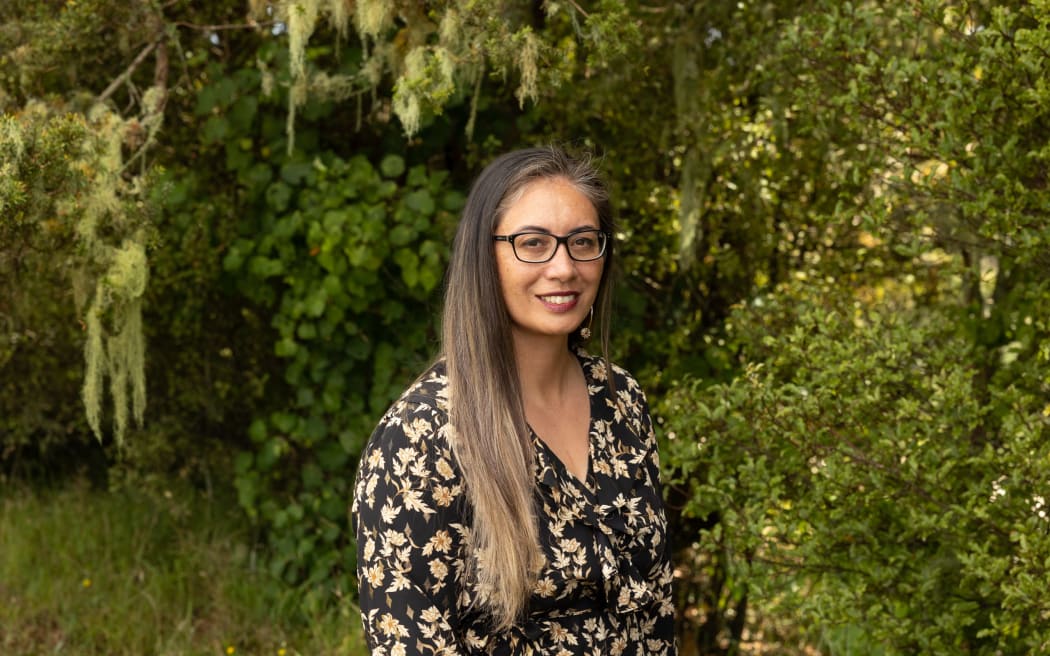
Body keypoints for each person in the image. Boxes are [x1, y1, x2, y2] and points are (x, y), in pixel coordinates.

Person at [351, 146, 677, 655]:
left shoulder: (621, 400)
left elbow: (655, 610)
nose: (564, 267)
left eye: (583, 242)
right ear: (485, 256)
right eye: (533, 243)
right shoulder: (422, 438)